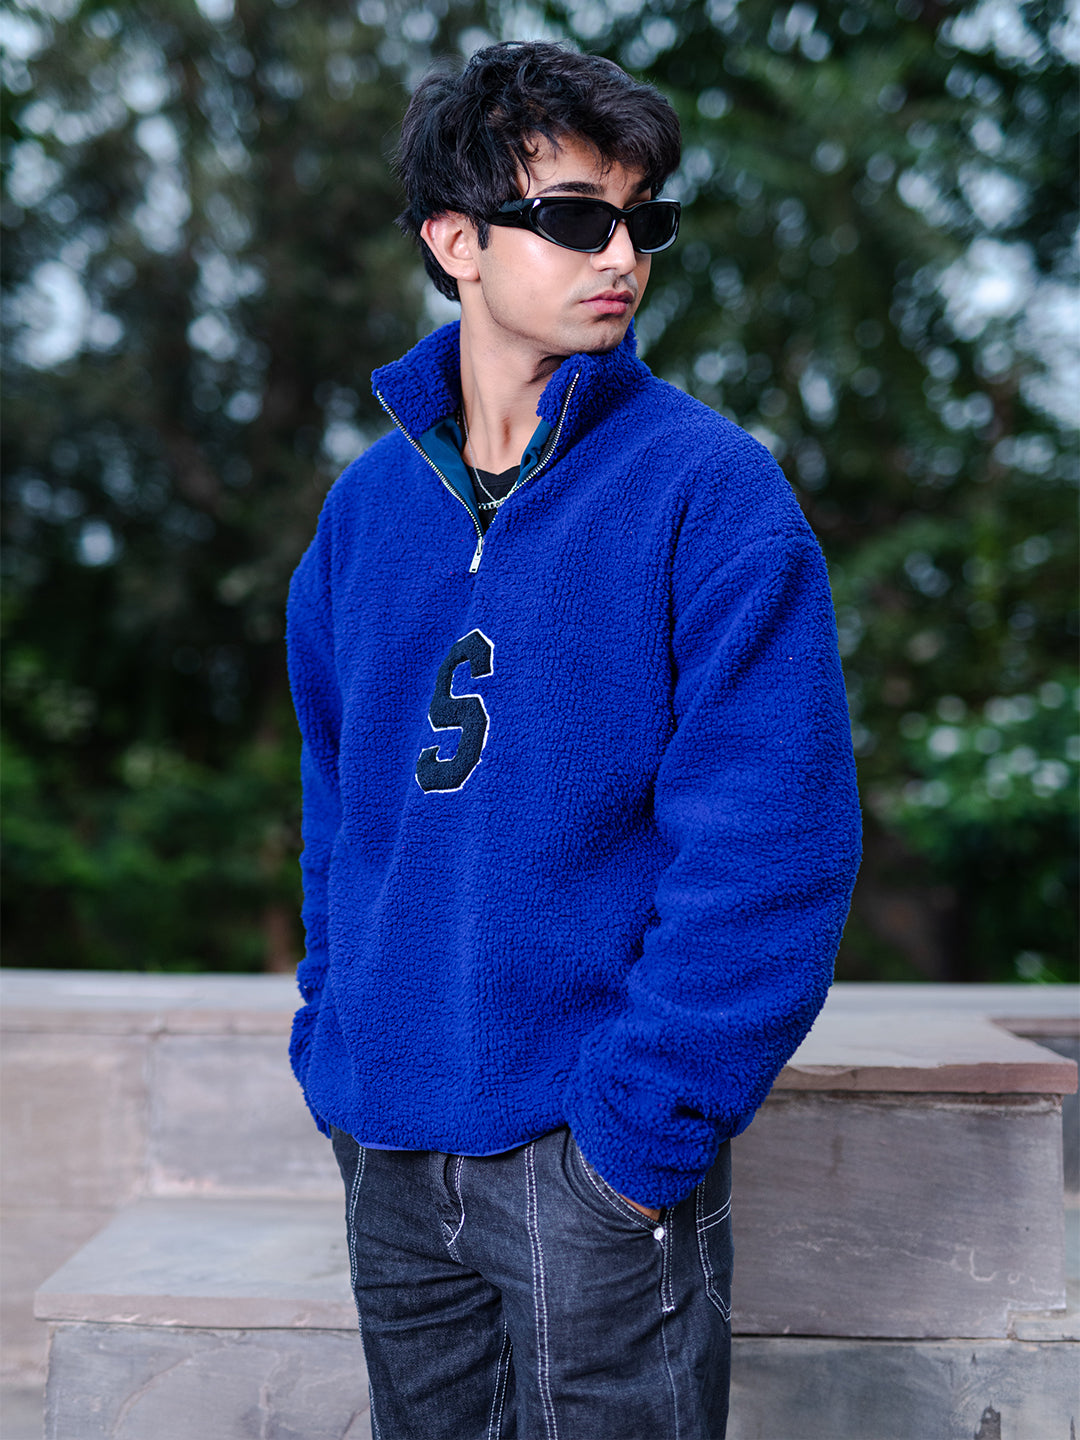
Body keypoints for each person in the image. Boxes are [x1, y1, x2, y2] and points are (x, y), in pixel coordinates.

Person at [287, 39, 861, 1440]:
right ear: (456, 242)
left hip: (592, 1157)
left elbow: (774, 850)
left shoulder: (711, 493)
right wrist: (335, 1040)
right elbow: (341, 812)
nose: (621, 255)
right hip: (390, 1144)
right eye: (573, 218)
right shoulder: (365, 514)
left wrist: (638, 1135)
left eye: (642, 220)